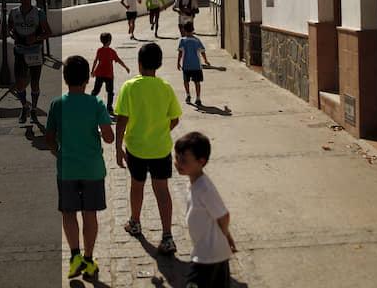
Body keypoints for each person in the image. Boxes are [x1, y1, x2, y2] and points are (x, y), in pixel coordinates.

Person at [45, 56, 115, 281]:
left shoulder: (57, 104)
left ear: (65, 79)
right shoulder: (96, 104)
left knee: (68, 213)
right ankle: (89, 259)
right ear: (87, 79)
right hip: (92, 169)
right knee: (89, 214)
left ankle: (74, 256)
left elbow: (49, 138)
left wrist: (58, 153)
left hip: (67, 169)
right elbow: (109, 137)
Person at [114, 42, 182, 255]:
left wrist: (118, 147)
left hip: (136, 148)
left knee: (137, 186)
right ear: (159, 64)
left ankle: (135, 222)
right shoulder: (165, 87)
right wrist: (160, 132)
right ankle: (167, 236)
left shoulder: (129, 87)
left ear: (139, 63)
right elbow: (175, 119)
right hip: (160, 149)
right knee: (162, 190)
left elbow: (121, 120)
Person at [174, 132, 236, 288]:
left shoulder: (204, 188)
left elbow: (223, 216)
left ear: (201, 161)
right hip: (211, 253)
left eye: (184, 160)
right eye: (176, 157)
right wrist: (227, 237)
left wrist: (225, 236)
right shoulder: (194, 183)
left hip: (209, 256)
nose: (178, 163)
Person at [8, 0, 52, 125]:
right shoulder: (13, 12)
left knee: (34, 83)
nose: (25, 0)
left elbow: (48, 32)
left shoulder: (39, 13)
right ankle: (24, 106)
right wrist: (12, 34)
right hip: (20, 51)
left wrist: (36, 38)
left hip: (35, 52)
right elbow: (10, 27)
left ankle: (33, 109)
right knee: (19, 83)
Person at [91, 32, 130, 115]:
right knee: (110, 92)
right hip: (109, 75)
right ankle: (109, 107)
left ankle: (90, 103)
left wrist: (92, 71)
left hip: (100, 74)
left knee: (96, 90)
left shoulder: (99, 50)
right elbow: (118, 60)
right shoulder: (111, 51)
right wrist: (125, 67)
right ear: (109, 41)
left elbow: (95, 61)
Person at [177, 21, 210, 106]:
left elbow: (180, 52)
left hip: (186, 65)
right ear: (193, 30)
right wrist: (206, 60)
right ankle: (198, 98)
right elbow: (202, 51)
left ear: (184, 30)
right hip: (196, 66)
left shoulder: (183, 41)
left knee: (186, 81)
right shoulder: (197, 40)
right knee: (197, 82)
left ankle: (188, 95)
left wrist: (178, 62)